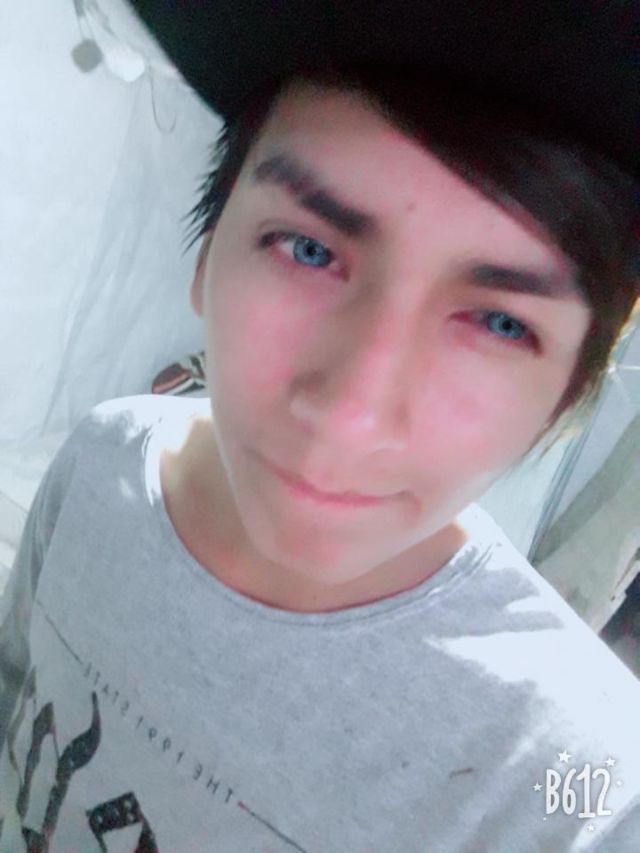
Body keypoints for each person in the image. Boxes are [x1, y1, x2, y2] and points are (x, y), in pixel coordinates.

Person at [1, 3, 639, 850]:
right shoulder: (100, 457)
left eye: (498, 323)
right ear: (205, 257)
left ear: (565, 397)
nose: (350, 415)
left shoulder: (578, 784)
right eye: (307, 249)